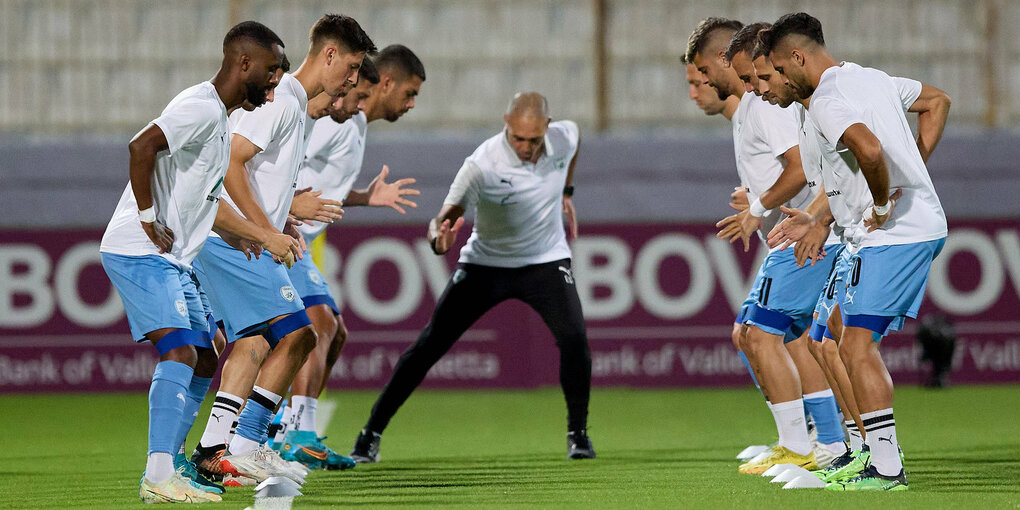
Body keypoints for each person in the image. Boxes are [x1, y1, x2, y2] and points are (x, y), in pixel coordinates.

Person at [99, 20, 294, 503]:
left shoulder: (221, 122)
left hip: (174, 259)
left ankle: (174, 464)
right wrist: (146, 216)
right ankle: (158, 474)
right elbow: (141, 146)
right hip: (139, 250)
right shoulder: (200, 108)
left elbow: (208, 203)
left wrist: (253, 234)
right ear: (242, 62)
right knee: (181, 351)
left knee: (208, 352)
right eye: (270, 74)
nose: (273, 89)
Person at [761, 12, 950, 490]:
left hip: (894, 234)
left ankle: (886, 468)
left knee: (854, 344)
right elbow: (937, 101)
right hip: (892, 229)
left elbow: (868, 150)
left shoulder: (826, 99)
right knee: (835, 333)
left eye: (779, 71)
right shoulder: (871, 78)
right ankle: (866, 453)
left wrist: (885, 199)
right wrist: (911, 171)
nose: (778, 81)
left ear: (798, 58)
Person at [350, 92, 593, 462]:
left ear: (547, 126)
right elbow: (442, 219)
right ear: (505, 123)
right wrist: (438, 241)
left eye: (533, 139)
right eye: (517, 138)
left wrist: (567, 192)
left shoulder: (564, 136)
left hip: (545, 261)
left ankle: (578, 435)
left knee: (575, 341)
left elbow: (573, 147)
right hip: (486, 265)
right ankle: (370, 434)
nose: (526, 147)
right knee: (429, 346)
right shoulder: (482, 165)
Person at [189, 13, 375, 485]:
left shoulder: (294, 103)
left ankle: (217, 451)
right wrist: (262, 230)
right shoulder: (286, 100)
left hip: (238, 237)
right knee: (301, 335)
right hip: (234, 239)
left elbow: (255, 172)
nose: (354, 79)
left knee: (254, 342)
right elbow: (231, 160)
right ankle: (248, 444)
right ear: (329, 54)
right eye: (351, 66)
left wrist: (282, 216)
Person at [688, 18, 845, 474]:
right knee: (792, 338)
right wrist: (755, 197)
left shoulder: (765, 106)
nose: (699, 82)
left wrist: (758, 205)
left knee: (764, 335)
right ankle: (823, 440)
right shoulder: (754, 107)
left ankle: (811, 443)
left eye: (702, 70)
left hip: (804, 232)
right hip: (797, 230)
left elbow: (798, 170)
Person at [275, 47, 427, 469]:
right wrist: (283, 210)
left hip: (294, 239)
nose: (412, 105)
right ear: (387, 83)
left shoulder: (354, 122)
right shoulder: (339, 123)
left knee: (334, 333)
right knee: (319, 324)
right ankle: (294, 433)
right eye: (410, 93)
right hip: (284, 237)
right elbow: (286, 164)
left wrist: (362, 197)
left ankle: (289, 428)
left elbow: (321, 183)